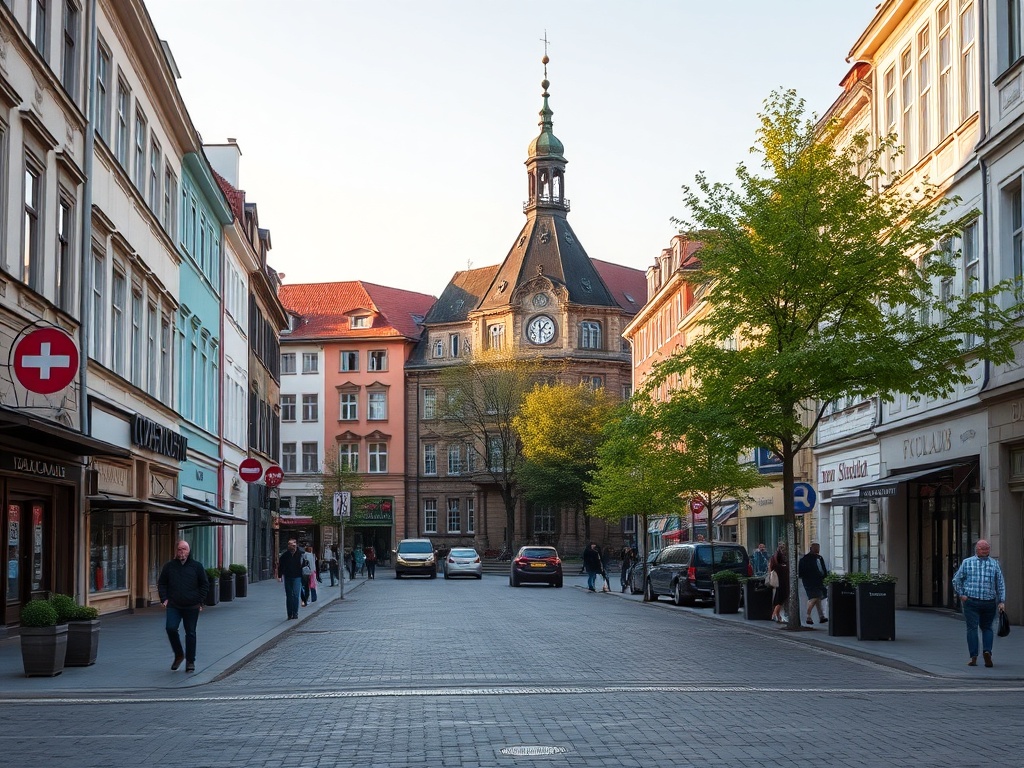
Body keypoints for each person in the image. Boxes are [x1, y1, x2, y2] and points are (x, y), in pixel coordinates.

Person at [952, 539, 1006, 668]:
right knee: (983, 628)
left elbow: (1000, 583)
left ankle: (978, 655)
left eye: (987, 548)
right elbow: (956, 580)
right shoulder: (969, 563)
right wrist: (962, 594)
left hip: (986, 602)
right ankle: (981, 653)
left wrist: (1002, 601)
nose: (985, 551)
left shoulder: (993, 564)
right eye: (983, 549)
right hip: (973, 601)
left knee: (977, 628)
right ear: (977, 549)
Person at [157, 540, 209, 673]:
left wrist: (200, 601)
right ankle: (179, 654)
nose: (182, 552)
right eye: (180, 549)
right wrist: (164, 599)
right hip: (174, 605)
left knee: (190, 633)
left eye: (184, 549)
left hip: (192, 606)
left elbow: (204, 584)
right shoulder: (169, 566)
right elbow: (162, 583)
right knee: (171, 628)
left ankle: (190, 661)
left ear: (189, 551)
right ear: (176, 551)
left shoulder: (196, 566)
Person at [798, 542, 829, 625]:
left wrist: (825, 577)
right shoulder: (805, 559)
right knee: (813, 598)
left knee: (818, 598)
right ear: (811, 548)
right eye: (815, 548)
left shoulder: (819, 557)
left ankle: (821, 616)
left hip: (819, 581)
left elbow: (823, 569)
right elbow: (802, 572)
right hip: (810, 581)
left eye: (818, 548)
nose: (817, 550)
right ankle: (808, 616)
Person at [277, 538, 305, 620]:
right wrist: (279, 576)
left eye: (292, 544)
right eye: (289, 544)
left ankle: (295, 613)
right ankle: (289, 614)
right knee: (289, 596)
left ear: (296, 545)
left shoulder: (300, 554)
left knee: (296, 595)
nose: (291, 546)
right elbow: (281, 566)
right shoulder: (285, 555)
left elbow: (304, 565)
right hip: (288, 576)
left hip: (297, 576)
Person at [768, 540, 790, 624]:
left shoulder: (776, 556)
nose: (783, 548)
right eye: (782, 546)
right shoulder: (778, 557)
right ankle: (775, 614)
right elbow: (774, 566)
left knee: (779, 597)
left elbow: (771, 566)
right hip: (782, 580)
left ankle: (777, 615)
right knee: (781, 597)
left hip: (780, 580)